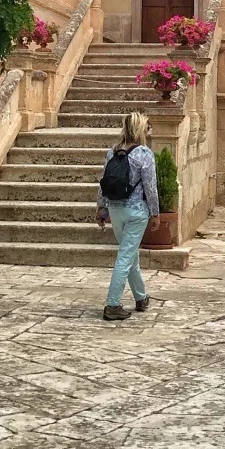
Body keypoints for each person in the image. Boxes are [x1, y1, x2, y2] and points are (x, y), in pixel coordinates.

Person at [96, 111, 159, 321]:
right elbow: (150, 187)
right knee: (125, 257)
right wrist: (156, 213)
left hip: (115, 210)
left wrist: (101, 209)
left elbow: (103, 183)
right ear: (141, 129)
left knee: (131, 255)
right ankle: (112, 304)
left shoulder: (112, 152)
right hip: (136, 212)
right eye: (146, 128)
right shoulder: (144, 154)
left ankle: (141, 297)